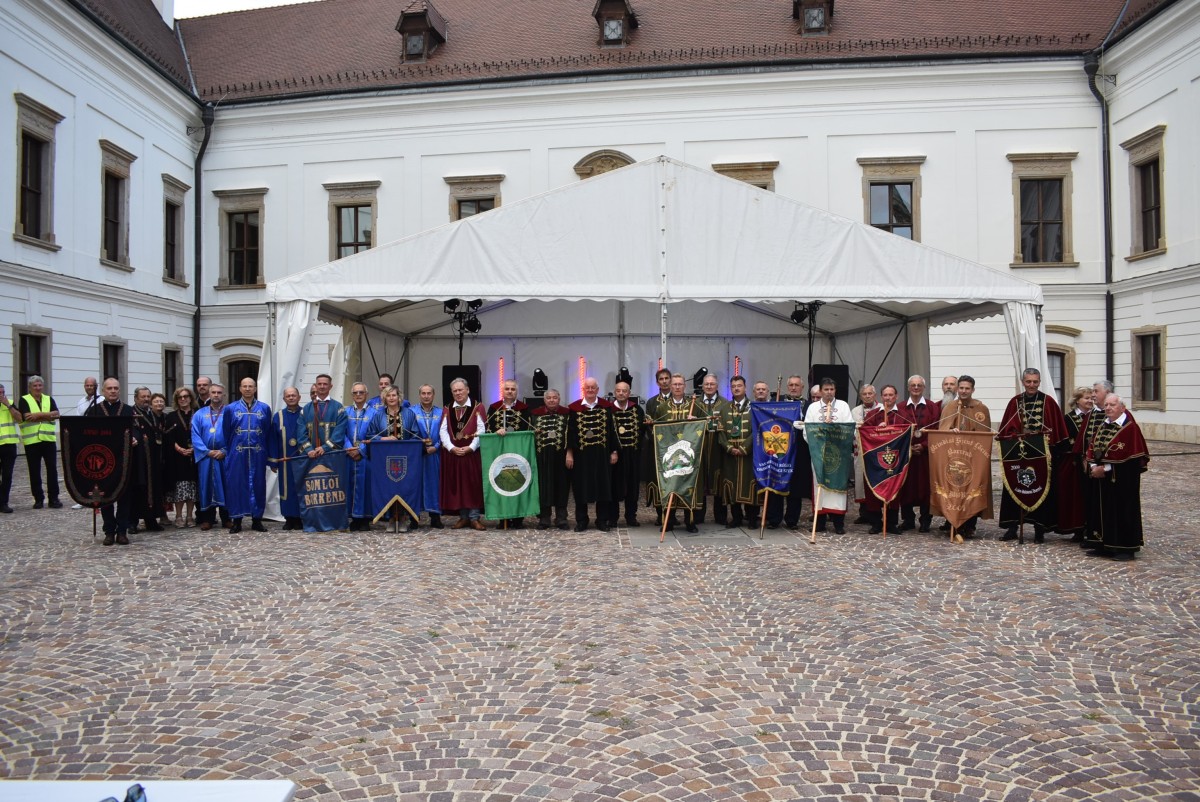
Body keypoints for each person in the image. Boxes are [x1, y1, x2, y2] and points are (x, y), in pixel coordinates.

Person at [997, 368, 1070, 543]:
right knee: (1014, 487)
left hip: (1041, 457)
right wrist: (1014, 435)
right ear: (1023, 382)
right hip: (1018, 454)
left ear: (1039, 382)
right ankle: (1012, 527)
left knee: (1041, 490)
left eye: (1035, 382)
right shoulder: (1015, 402)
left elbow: (1057, 431)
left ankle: (1040, 529)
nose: (1031, 385)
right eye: (1028, 381)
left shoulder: (1048, 402)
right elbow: (1006, 428)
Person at [1084, 394, 1149, 561]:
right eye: (1106, 405)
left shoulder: (1130, 428)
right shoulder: (1103, 425)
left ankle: (1125, 548)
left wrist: (1105, 468)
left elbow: (1132, 458)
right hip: (1102, 479)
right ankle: (1103, 544)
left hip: (1122, 480)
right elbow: (1092, 448)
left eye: (1112, 405)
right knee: (1102, 510)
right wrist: (1093, 466)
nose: (1108, 408)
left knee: (1122, 512)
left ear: (1122, 408)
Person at [935, 375, 992, 537]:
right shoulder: (950, 407)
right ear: (957, 389)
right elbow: (942, 430)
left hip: (973, 458)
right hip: (953, 457)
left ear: (973, 390)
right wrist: (950, 431)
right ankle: (952, 522)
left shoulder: (981, 408)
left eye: (967, 388)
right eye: (961, 388)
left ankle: (970, 524)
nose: (964, 391)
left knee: (971, 489)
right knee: (953, 489)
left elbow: (985, 434)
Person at [85, 378, 137, 544]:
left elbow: (136, 429)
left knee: (124, 497)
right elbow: (86, 432)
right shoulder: (94, 410)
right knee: (105, 496)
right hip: (104, 462)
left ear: (119, 390)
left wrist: (135, 438)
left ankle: (122, 531)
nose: (113, 391)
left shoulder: (128, 410)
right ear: (103, 391)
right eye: (109, 388)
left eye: (116, 388)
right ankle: (109, 530)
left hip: (124, 460)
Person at [647, 373, 699, 532]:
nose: (677, 387)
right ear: (670, 386)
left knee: (688, 484)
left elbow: (702, 427)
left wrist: (695, 421)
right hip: (670, 454)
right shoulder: (662, 407)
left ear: (684, 386)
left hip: (688, 453)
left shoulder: (694, 404)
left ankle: (690, 521)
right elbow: (656, 429)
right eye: (675, 384)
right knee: (670, 485)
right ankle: (668, 520)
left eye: (680, 384)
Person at [567, 376, 618, 532]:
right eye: (587, 387)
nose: (590, 390)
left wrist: (614, 451)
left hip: (602, 455)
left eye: (593, 387)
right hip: (581, 456)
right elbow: (570, 433)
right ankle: (582, 520)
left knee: (603, 487)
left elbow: (612, 430)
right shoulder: (574, 408)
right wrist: (569, 453)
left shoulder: (606, 407)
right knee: (580, 487)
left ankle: (602, 520)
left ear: (597, 389)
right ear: (583, 390)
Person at [861, 385, 913, 533]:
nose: (888, 398)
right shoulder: (873, 415)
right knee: (874, 489)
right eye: (885, 395)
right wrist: (877, 429)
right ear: (881, 397)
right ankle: (876, 523)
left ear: (896, 396)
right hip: (875, 461)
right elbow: (864, 432)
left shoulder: (903, 414)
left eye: (891, 395)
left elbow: (909, 432)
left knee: (894, 488)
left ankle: (891, 523)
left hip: (895, 460)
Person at [804, 377, 853, 534]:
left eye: (832, 389)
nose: (829, 392)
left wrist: (835, 429)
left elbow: (850, 429)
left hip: (838, 454)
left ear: (835, 390)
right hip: (819, 453)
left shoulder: (843, 406)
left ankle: (838, 523)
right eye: (826, 389)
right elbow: (807, 430)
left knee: (837, 488)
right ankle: (820, 522)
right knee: (820, 486)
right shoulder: (813, 408)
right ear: (820, 391)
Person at [368, 385, 419, 531]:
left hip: (405, 457)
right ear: (384, 398)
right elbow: (370, 435)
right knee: (388, 486)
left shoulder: (409, 414)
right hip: (384, 458)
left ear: (399, 397)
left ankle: (402, 518)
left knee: (403, 486)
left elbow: (416, 435)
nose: (391, 398)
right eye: (388, 395)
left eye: (394, 395)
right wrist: (383, 439)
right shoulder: (378, 415)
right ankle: (391, 518)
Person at [223, 377, 271, 533]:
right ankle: (237, 520)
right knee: (237, 485)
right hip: (237, 453)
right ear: (240, 388)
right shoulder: (230, 409)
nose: (248, 389)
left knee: (258, 485)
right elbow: (226, 432)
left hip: (258, 453)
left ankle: (257, 520)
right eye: (245, 386)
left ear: (255, 389)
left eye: (251, 386)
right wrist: (229, 452)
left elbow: (267, 432)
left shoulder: (264, 408)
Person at [440, 377, 486, 530]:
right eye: (455, 391)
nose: (458, 393)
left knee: (473, 485)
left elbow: (482, 430)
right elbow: (443, 431)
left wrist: (471, 447)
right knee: (459, 485)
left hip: (472, 454)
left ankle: (474, 518)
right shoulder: (447, 409)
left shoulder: (478, 407)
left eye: (460, 390)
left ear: (468, 390)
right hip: (454, 454)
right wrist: (451, 447)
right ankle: (463, 517)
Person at [766, 375, 811, 531]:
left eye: (796, 385)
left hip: (800, 451)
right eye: (791, 385)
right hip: (780, 449)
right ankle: (774, 518)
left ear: (802, 387)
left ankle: (792, 519)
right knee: (777, 483)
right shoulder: (777, 402)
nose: (793, 388)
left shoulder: (809, 406)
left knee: (796, 487)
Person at [486, 379, 532, 529]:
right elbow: (487, 428)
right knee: (501, 482)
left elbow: (528, 429)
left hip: (518, 452)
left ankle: (518, 518)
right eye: (507, 389)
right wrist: (496, 431)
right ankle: (503, 517)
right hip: (499, 451)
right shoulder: (494, 408)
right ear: (502, 391)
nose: (510, 391)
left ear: (516, 391)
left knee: (518, 481)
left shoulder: (524, 408)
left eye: (513, 389)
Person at [898, 374, 940, 532]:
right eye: (913, 385)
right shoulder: (900, 407)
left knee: (926, 487)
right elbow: (897, 430)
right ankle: (908, 519)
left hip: (926, 455)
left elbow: (936, 430)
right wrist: (908, 447)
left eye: (919, 385)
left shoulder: (932, 407)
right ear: (908, 387)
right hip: (906, 455)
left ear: (924, 388)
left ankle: (925, 520)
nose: (916, 388)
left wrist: (923, 445)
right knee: (905, 487)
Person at [1077, 380, 1113, 550]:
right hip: (1089, 466)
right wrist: (1085, 459)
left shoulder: (1114, 413)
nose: (1092, 395)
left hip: (1108, 469)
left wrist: (1104, 466)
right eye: (1092, 391)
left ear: (1107, 392)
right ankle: (1092, 535)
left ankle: (1108, 539)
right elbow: (1084, 439)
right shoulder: (1091, 414)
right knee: (1090, 502)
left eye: (1096, 391)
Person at [18, 375, 62, 509]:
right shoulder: (24, 400)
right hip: (32, 441)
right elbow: (27, 417)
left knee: (52, 470)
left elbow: (57, 414)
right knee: (34, 471)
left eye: (40, 385)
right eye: (35, 386)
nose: (37, 388)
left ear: (43, 386)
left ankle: (53, 498)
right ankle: (38, 499)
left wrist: (37, 415)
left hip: (48, 440)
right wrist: (48, 415)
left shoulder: (49, 399)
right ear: (30, 387)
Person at [192, 382, 230, 532]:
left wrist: (225, 451)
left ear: (224, 395)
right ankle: (207, 519)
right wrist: (206, 451)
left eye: (219, 393)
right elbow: (195, 435)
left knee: (226, 485)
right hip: (206, 457)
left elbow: (235, 434)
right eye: (213, 392)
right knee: (206, 486)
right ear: (209, 394)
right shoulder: (199, 414)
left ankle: (227, 518)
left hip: (224, 457)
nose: (216, 395)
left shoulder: (230, 413)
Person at [717, 375, 755, 527]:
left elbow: (757, 430)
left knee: (749, 485)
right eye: (733, 386)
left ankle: (752, 518)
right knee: (732, 485)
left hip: (749, 455)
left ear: (745, 387)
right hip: (730, 455)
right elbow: (720, 432)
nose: (736, 388)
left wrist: (745, 448)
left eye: (739, 386)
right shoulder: (724, 408)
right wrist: (729, 447)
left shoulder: (754, 407)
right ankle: (736, 518)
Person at [1058, 385, 1094, 541]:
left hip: (1092, 462)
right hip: (1075, 463)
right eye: (1086, 398)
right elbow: (1065, 441)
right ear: (1077, 400)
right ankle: (1078, 529)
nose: (1090, 401)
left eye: (1091, 398)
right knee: (1076, 496)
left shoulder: (1095, 416)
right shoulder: (1068, 418)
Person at [532, 388, 571, 530]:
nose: (552, 400)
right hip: (541, 457)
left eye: (554, 397)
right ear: (544, 400)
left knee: (562, 487)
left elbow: (571, 435)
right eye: (548, 398)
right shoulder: (535, 414)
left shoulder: (567, 414)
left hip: (561, 456)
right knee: (543, 487)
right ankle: (544, 518)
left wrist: (570, 453)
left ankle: (561, 518)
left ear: (559, 399)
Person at [267, 386, 306, 530]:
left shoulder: (306, 413)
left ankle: (301, 518)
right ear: (284, 399)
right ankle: (289, 518)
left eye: (293, 395)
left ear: (299, 397)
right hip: (285, 461)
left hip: (303, 459)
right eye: (288, 396)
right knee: (286, 489)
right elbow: (273, 439)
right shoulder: (278, 416)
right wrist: (273, 461)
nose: (291, 398)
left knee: (302, 487)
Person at [608, 379, 643, 527]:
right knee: (614, 486)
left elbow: (642, 432)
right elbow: (607, 434)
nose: (621, 393)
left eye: (624, 391)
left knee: (632, 486)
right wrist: (613, 451)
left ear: (629, 393)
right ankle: (613, 517)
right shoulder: (608, 410)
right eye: (618, 391)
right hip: (616, 455)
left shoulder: (637, 410)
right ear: (614, 393)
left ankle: (631, 516)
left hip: (633, 454)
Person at [693, 373, 726, 525]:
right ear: (702, 386)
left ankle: (721, 516)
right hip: (700, 448)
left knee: (719, 481)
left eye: (712, 384)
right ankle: (698, 516)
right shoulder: (695, 403)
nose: (709, 386)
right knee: (700, 481)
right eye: (706, 384)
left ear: (717, 386)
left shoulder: (725, 404)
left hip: (718, 448)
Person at [129, 387, 164, 533]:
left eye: (148, 396)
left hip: (153, 457)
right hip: (138, 458)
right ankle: (132, 522)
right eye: (143, 397)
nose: (146, 399)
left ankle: (151, 519)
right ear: (136, 398)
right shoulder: (131, 413)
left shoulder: (152, 413)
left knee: (152, 488)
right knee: (137, 488)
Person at [164, 386, 198, 527]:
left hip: (195, 455)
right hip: (177, 457)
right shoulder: (171, 416)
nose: (183, 399)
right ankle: (178, 516)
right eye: (180, 397)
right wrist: (179, 449)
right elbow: (167, 437)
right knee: (180, 487)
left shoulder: (198, 414)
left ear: (190, 398)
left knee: (192, 487)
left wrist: (194, 448)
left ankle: (190, 516)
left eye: (186, 396)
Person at [344, 382, 376, 531]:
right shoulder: (345, 412)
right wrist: (349, 448)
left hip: (366, 456)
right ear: (352, 395)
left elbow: (375, 434)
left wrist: (361, 450)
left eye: (361, 392)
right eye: (355, 392)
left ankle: (365, 519)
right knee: (350, 485)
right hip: (349, 455)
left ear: (366, 394)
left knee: (365, 486)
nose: (358, 395)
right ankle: (353, 518)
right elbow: (341, 432)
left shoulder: (374, 413)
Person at [412, 384, 444, 529]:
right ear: (419, 395)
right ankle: (414, 517)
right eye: (423, 393)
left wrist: (436, 447)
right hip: (417, 454)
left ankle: (435, 516)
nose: (426, 396)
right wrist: (421, 447)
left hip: (435, 453)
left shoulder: (441, 412)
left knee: (434, 484)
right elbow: (409, 431)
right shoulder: (412, 411)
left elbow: (445, 433)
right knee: (416, 484)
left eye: (429, 393)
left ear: (433, 395)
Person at [850, 384, 881, 524]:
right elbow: (852, 429)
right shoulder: (855, 411)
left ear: (875, 395)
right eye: (864, 394)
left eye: (870, 393)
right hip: (861, 449)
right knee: (860, 481)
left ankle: (877, 513)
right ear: (860, 396)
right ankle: (864, 513)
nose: (867, 396)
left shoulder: (881, 409)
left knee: (876, 480)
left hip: (876, 450)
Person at [0, 383, 20, 514]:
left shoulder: (10, 403)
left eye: (3, 392)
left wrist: (8, 405)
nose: (1, 395)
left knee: (7, 476)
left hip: (9, 445)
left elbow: (19, 418)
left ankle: (4, 503)